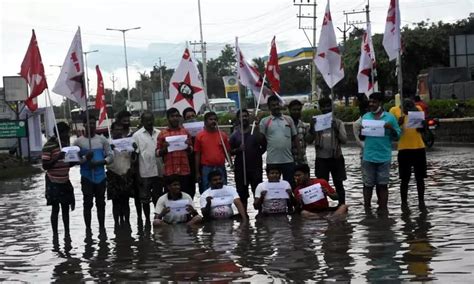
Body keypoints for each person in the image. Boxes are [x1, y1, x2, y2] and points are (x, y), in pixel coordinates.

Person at [359, 92, 401, 211]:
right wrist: (361, 131)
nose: (371, 104)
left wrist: (391, 128)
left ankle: (383, 210)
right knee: (367, 185)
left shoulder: (390, 118)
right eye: (370, 102)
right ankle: (367, 209)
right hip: (368, 156)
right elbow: (362, 138)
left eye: (374, 102)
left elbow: (397, 136)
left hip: (384, 156)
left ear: (380, 103)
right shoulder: (366, 117)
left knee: (383, 185)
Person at [73, 114, 113, 238]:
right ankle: (88, 230)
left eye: (92, 123)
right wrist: (86, 158)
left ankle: (102, 228)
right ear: (83, 125)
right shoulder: (78, 142)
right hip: (86, 177)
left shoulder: (102, 140)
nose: (90, 125)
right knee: (87, 203)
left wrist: (100, 162)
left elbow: (110, 156)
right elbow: (75, 160)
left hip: (101, 176)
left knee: (101, 203)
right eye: (88, 123)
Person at [306, 97, 348, 206]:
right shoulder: (316, 123)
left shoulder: (338, 122)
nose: (326, 109)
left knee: (339, 183)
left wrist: (336, 129)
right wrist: (311, 128)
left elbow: (344, 140)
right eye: (323, 106)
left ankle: (342, 205)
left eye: (328, 106)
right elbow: (308, 141)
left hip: (336, 158)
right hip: (321, 159)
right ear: (320, 108)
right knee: (321, 185)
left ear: (332, 107)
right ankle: (323, 206)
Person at [389, 98, 427, 210]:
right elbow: (393, 132)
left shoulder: (418, 110)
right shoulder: (394, 111)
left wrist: (423, 124)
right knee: (405, 179)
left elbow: (421, 130)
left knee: (420, 178)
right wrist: (398, 123)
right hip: (404, 149)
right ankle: (404, 203)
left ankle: (421, 201)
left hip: (419, 148)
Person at [42, 122, 75, 242]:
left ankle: (67, 233)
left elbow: (69, 163)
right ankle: (55, 235)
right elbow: (45, 166)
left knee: (66, 208)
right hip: (53, 180)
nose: (67, 135)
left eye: (68, 133)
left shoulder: (66, 145)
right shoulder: (49, 146)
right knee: (55, 208)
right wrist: (57, 157)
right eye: (65, 133)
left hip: (65, 179)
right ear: (59, 134)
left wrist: (77, 160)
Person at [230, 109, 267, 211]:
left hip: (255, 168)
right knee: (242, 193)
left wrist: (257, 155)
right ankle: (244, 214)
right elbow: (230, 151)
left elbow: (264, 145)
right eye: (242, 116)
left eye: (246, 116)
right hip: (241, 169)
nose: (244, 118)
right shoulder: (235, 135)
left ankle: (260, 211)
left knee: (258, 191)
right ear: (238, 119)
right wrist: (238, 149)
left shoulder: (254, 131)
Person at [132, 111, 164, 229]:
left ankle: (157, 219)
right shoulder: (137, 136)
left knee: (158, 198)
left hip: (159, 171)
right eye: (146, 120)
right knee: (145, 199)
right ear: (142, 121)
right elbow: (135, 156)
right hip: (144, 172)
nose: (149, 122)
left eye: (151, 119)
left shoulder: (160, 134)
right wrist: (138, 175)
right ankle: (146, 220)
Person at [259, 95, 299, 187]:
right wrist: (257, 124)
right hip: (272, 161)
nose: (276, 107)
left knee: (290, 186)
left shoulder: (288, 119)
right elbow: (260, 139)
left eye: (277, 104)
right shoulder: (265, 121)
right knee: (273, 187)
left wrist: (300, 154)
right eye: (273, 105)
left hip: (288, 160)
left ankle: (289, 202)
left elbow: (295, 137)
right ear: (269, 107)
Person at [156, 108, 194, 198]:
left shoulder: (185, 132)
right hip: (170, 171)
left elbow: (191, 150)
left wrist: (188, 147)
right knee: (170, 198)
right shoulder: (162, 134)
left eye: (177, 116)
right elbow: (157, 153)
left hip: (184, 170)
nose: (175, 118)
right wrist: (165, 149)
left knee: (185, 196)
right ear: (168, 118)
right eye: (172, 116)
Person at [107, 122, 136, 230]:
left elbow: (132, 158)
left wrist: (134, 149)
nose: (118, 131)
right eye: (116, 129)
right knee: (115, 202)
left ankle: (127, 222)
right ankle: (116, 224)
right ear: (112, 131)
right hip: (113, 174)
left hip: (126, 174)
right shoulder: (107, 143)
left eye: (120, 129)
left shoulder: (127, 142)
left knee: (126, 201)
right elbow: (104, 158)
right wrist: (109, 149)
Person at [194, 111, 230, 193]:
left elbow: (227, 151)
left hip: (220, 167)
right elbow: (197, 155)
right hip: (207, 167)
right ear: (205, 121)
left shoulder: (222, 135)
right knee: (206, 190)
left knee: (223, 189)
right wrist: (197, 172)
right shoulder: (199, 136)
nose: (213, 121)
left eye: (215, 119)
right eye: (211, 119)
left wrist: (230, 163)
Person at [182, 107, 199, 196]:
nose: (191, 119)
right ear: (184, 120)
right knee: (188, 192)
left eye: (193, 116)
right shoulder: (181, 133)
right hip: (187, 167)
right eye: (188, 117)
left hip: (201, 166)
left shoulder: (202, 131)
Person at [288, 100, 309, 165]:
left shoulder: (305, 126)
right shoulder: (285, 125)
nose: (296, 112)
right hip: (288, 161)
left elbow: (309, 140)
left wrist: (312, 130)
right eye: (294, 110)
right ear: (289, 110)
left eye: (298, 109)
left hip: (302, 161)